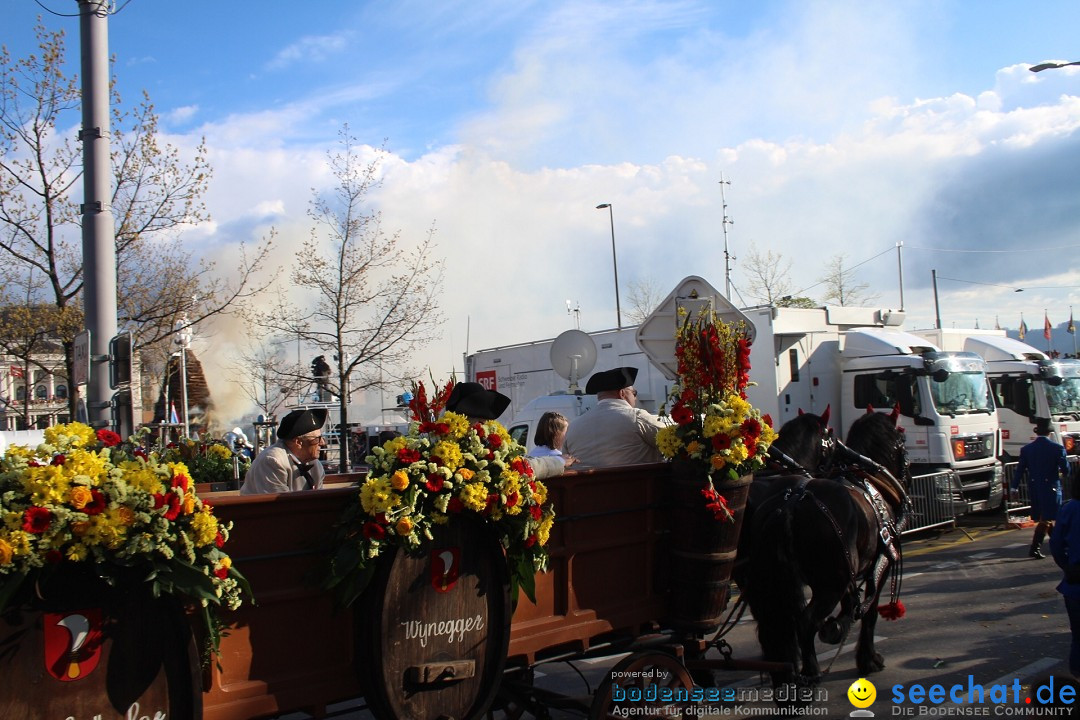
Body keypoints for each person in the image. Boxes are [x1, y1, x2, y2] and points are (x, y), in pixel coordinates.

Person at [445, 382, 570, 479]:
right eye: (482, 421)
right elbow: (520, 468)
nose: (485, 425)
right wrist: (559, 461)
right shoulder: (474, 445)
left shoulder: (439, 439)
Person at [562, 366, 666, 467]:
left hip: (587, 484)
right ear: (622, 393)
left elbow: (565, 461)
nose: (635, 398)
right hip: (637, 483)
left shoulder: (573, 427)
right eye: (634, 393)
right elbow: (672, 440)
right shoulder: (636, 417)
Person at [1014, 417, 1070, 558]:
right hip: (1051, 487)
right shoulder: (1057, 448)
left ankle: (1059, 545)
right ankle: (1035, 547)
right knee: (1047, 518)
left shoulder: (1027, 449)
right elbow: (1066, 470)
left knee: (1047, 517)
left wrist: (1014, 487)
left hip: (1035, 488)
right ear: (1049, 433)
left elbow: (1019, 470)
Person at [240, 408, 328, 494]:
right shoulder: (272, 461)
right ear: (298, 442)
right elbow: (280, 505)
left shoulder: (315, 465)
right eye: (317, 439)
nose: (322, 442)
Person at [1051, 477, 1080, 680]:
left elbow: (1055, 544)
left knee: (1078, 635)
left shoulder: (1069, 508)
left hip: (1075, 581)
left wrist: (1067, 567)